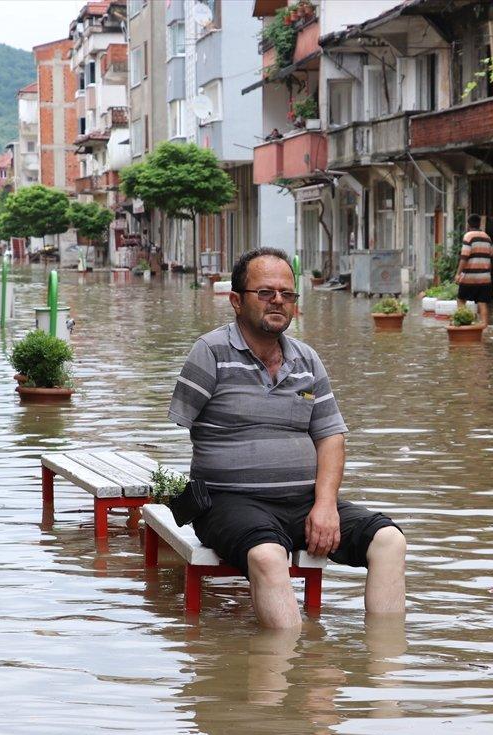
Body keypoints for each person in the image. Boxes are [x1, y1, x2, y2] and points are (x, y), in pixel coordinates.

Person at [169, 247, 406, 629]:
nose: (278, 300)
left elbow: (330, 436)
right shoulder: (209, 353)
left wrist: (325, 504)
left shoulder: (307, 359)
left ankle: (384, 667)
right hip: (230, 504)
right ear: (235, 300)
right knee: (267, 554)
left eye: (287, 293)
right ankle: (293, 667)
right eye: (264, 292)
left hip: (303, 504)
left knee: (389, 541)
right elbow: (186, 424)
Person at [456, 213, 493, 325]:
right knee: (482, 303)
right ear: (479, 224)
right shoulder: (487, 237)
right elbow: (491, 255)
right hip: (485, 278)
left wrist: (458, 274)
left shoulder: (468, 236)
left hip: (469, 277)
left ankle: (463, 324)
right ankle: (484, 327)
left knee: (461, 300)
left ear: (468, 225)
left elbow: (464, 257)